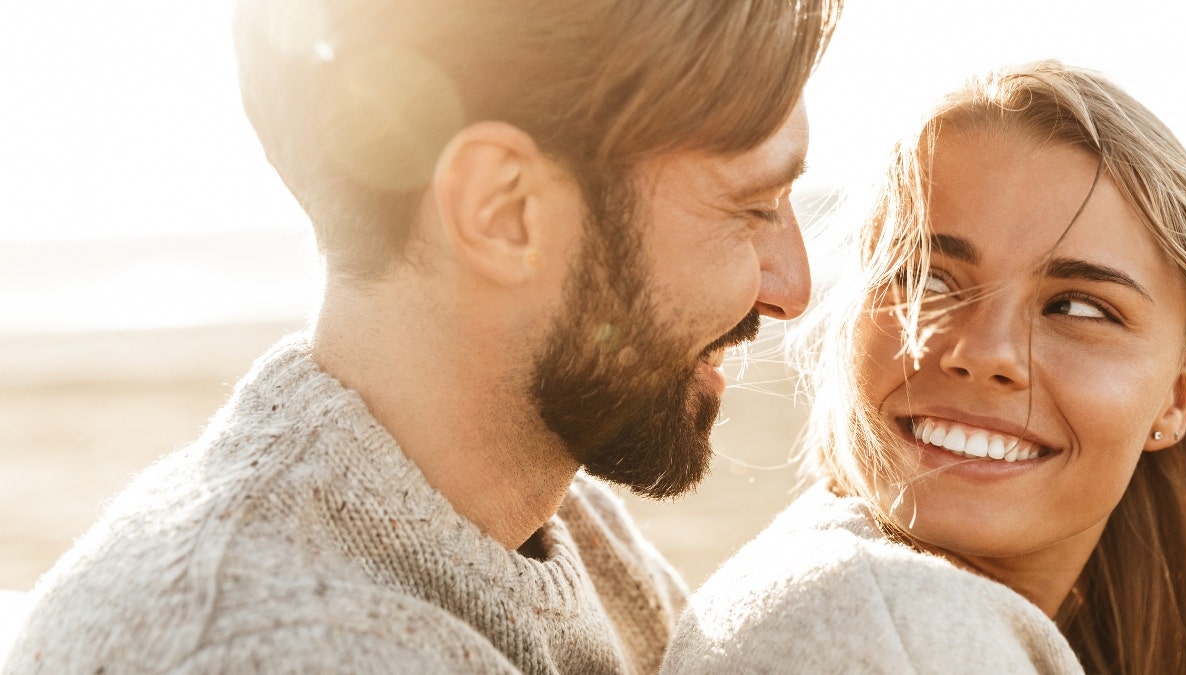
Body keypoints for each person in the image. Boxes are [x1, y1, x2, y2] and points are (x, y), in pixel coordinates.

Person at [3, 1, 841, 672]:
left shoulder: (560, 519)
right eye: (753, 207)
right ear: (503, 211)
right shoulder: (279, 646)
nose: (792, 287)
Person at [662, 61, 1186, 674]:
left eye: (1078, 308)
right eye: (929, 279)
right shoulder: (891, 628)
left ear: (1177, 397)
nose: (985, 351)